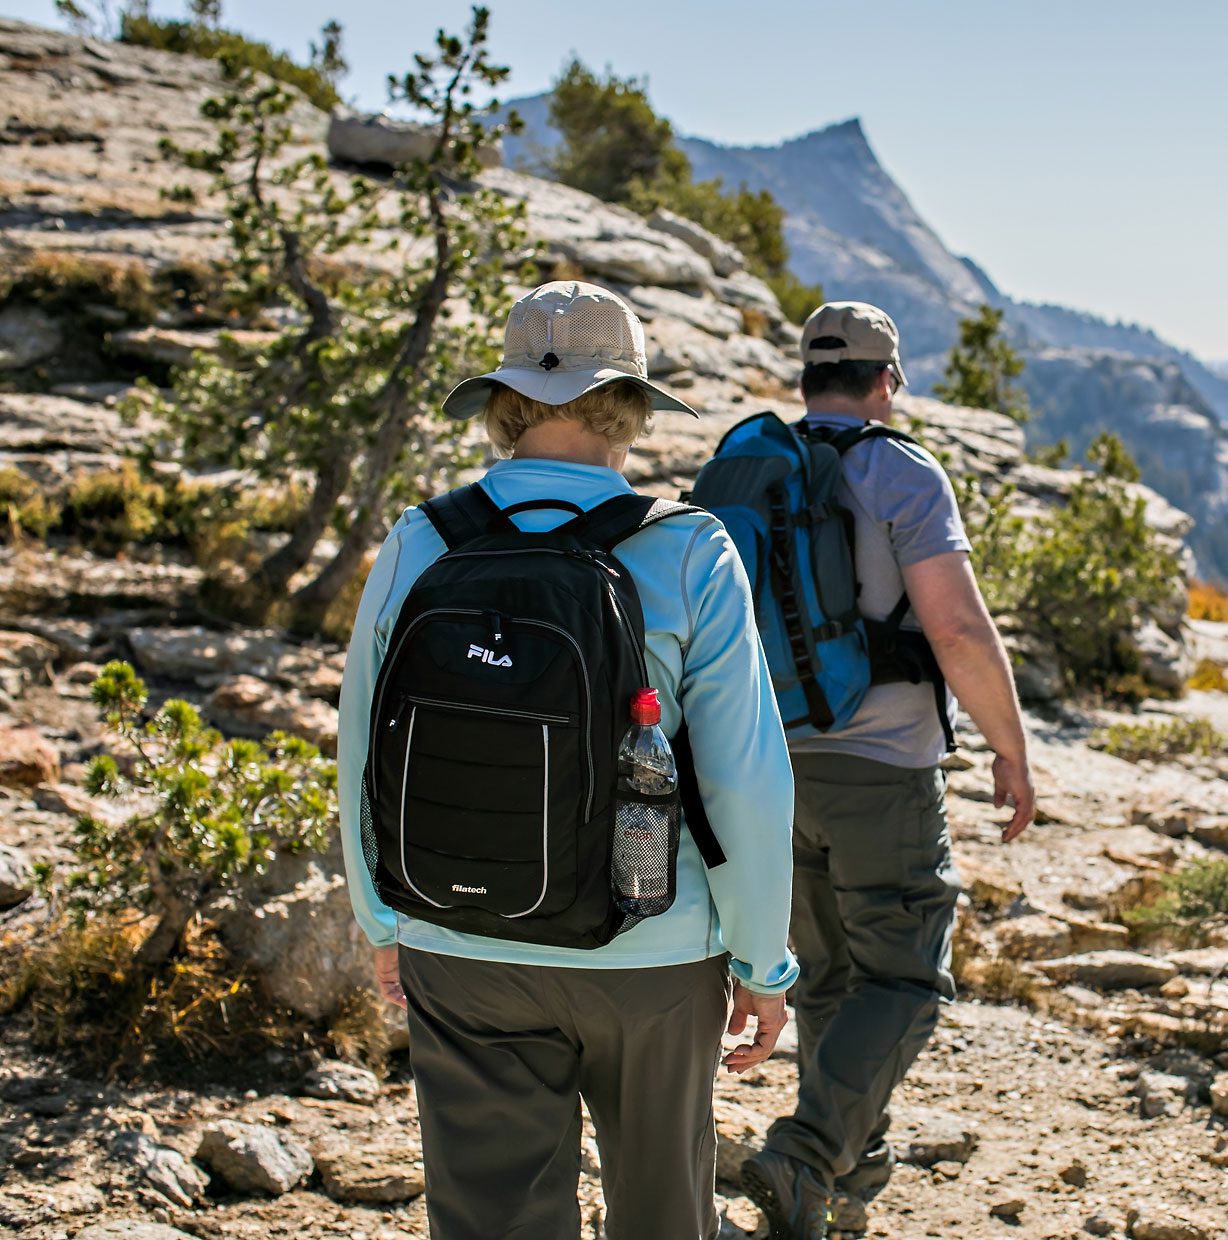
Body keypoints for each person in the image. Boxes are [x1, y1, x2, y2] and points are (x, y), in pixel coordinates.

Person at [336, 280, 797, 1240]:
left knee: (491, 1220)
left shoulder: (423, 538)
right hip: (650, 948)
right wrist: (761, 960)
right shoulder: (688, 549)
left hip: (455, 937)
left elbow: (360, 744)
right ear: (628, 406)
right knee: (663, 1213)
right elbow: (744, 781)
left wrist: (383, 917)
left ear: (503, 404)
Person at [741, 302, 1038, 1239]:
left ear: (804, 381)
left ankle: (835, 1184)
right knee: (906, 981)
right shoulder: (900, 471)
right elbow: (953, 628)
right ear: (887, 381)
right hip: (882, 769)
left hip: (769, 767)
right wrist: (1011, 747)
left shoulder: (755, 467)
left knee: (827, 981)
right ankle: (805, 1156)